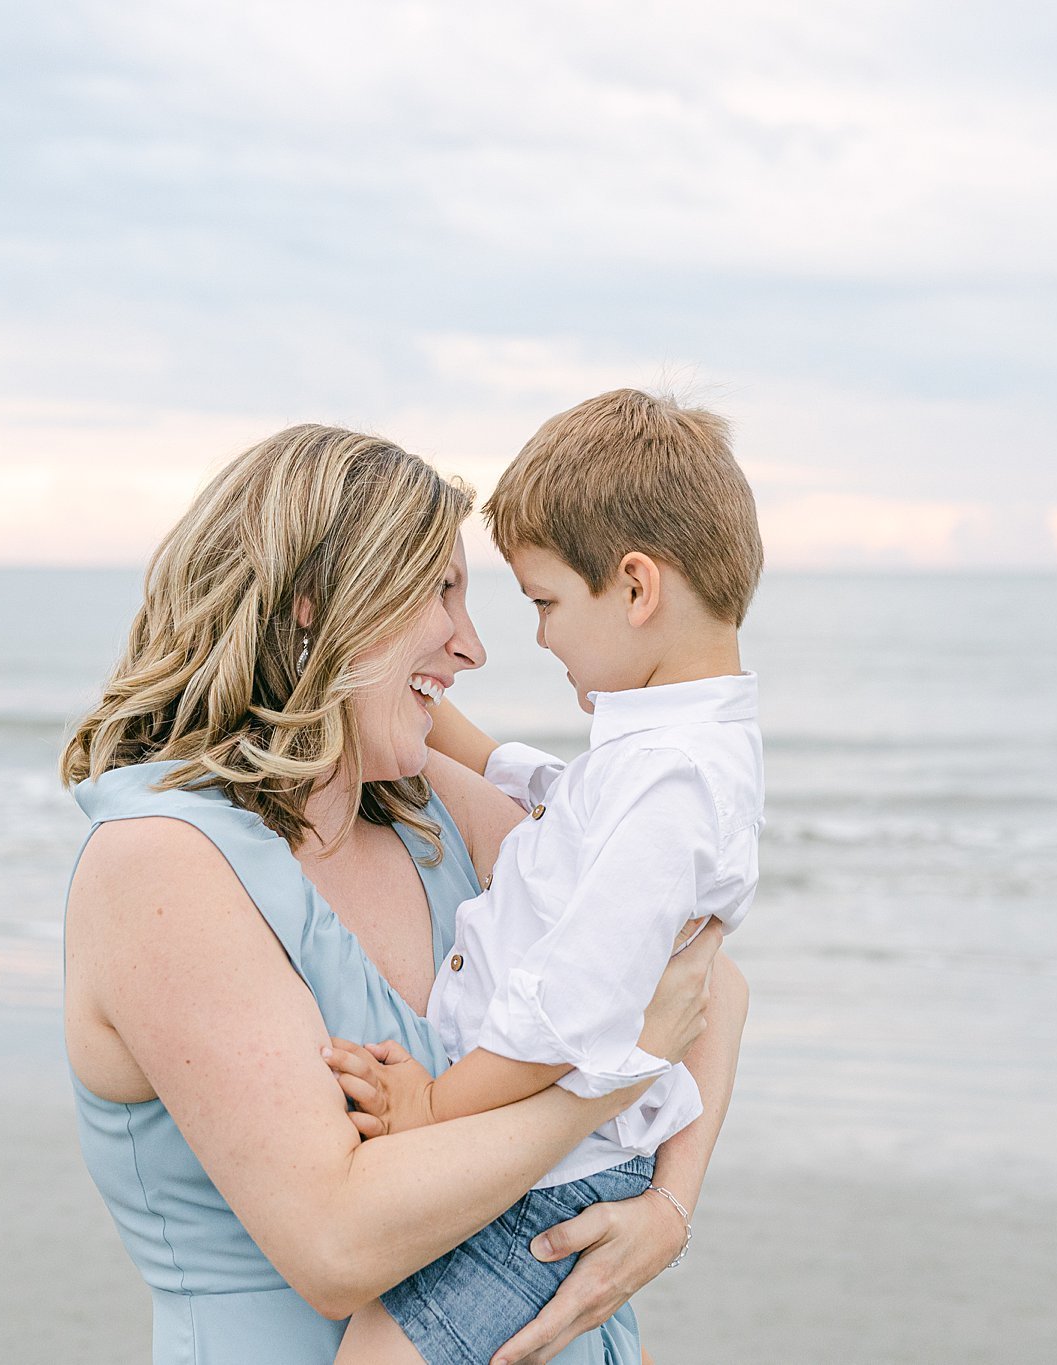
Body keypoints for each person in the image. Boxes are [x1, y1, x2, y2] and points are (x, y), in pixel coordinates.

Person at [60, 424, 749, 1365]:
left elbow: (702, 977)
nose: (472, 647)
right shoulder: (163, 867)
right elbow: (335, 1243)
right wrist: (606, 1084)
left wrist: (671, 1204)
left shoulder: (432, 815)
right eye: (441, 593)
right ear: (317, 605)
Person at [322, 390, 765, 1365]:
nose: (534, 636)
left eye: (544, 601)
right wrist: (424, 708)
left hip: (555, 1177)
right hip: (557, 1158)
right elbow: (563, 804)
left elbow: (574, 1009)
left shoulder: (669, 780)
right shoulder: (672, 756)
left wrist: (431, 1113)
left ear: (636, 587)